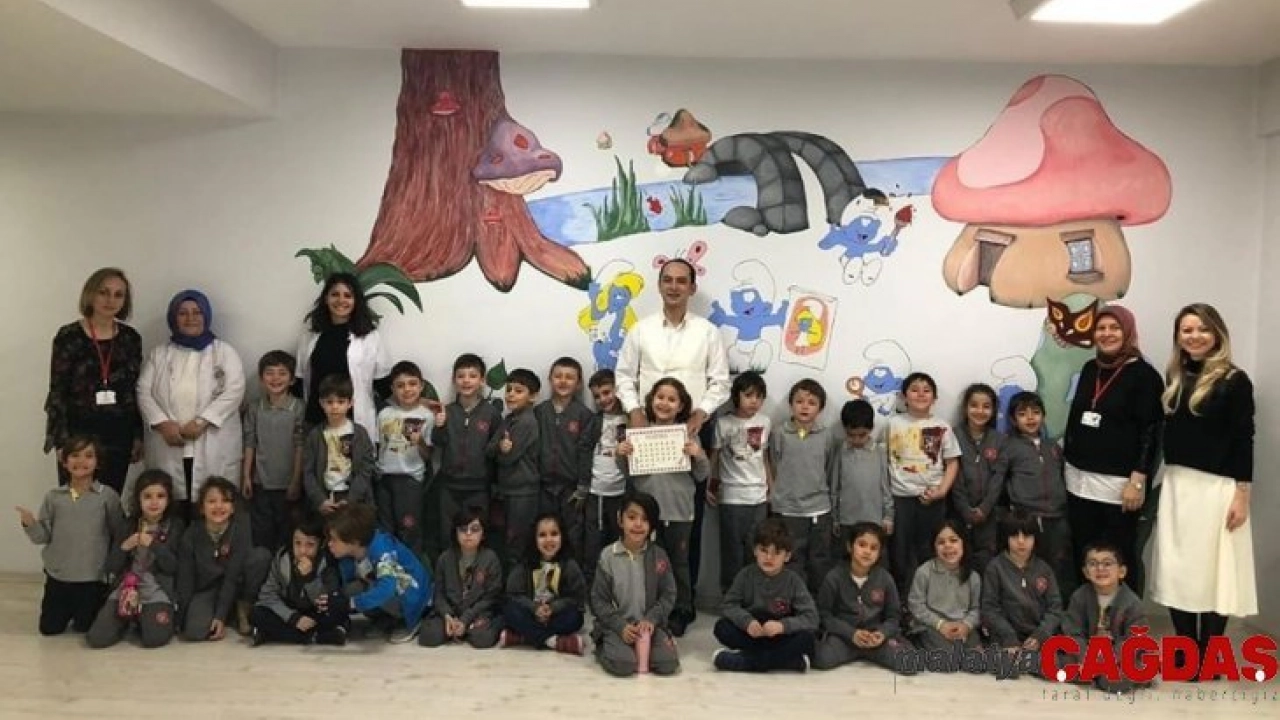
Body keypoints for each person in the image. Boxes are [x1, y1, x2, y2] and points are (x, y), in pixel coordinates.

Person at [615, 258, 730, 606]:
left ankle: (683, 604)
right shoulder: (641, 330)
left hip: (690, 431)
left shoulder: (707, 332)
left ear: (692, 288)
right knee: (644, 513)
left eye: (682, 281)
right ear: (659, 285)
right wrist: (635, 411)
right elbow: (623, 376)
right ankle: (645, 599)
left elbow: (720, 382)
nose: (674, 286)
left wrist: (700, 414)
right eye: (668, 280)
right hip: (646, 430)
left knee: (686, 521)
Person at [1151, 303, 1257, 659]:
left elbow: (1244, 438)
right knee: (1179, 569)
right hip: (1178, 486)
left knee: (1215, 571)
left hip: (1217, 489)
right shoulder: (1174, 377)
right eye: (1187, 330)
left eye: (1203, 329)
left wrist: (1242, 494)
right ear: (1178, 337)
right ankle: (1186, 649)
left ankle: (1210, 653)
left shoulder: (1234, 381)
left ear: (1217, 334)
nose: (1195, 336)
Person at [1062, 305, 1164, 597]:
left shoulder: (1144, 376)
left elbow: (1151, 431)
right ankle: (1088, 614)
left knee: (1119, 557)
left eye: (1114, 328)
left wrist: (1138, 480)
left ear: (1128, 332)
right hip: (1078, 481)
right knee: (1084, 554)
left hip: (1119, 488)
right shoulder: (1090, 369)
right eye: (1101, 328)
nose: (1106, 334)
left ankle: (1124, 619)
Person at [138, 289, 245, 519]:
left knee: (211, 511)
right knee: (172, 511)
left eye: (197, 312)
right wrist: (162, 423)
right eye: (183, 313)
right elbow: (143, 391)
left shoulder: (224, 352)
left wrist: (202, 422)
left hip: (212, 445)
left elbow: (234, 390)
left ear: (206, 315)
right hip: (169, 445)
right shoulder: (159, 354)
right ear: (173, 318)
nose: (190, 318)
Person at [616, 377, 709, 637]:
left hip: (679, 512)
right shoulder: (639, 434)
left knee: (679, 564)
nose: (664, 403)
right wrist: (621, 454)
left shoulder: (689, 436)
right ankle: (652, 610)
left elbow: (702, 475)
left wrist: (698, 455)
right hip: (647, 516)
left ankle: (682, 609)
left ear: (681, 406)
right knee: (648, 563)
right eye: (660, 397)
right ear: (651, 400)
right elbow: (628, 473)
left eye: (671, 399)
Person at [44, 268, 143, 492]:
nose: (110, 300)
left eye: (118, 295)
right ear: (90, 294)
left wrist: (138, 436)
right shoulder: (69, 336)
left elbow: (133, 391)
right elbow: (57, 391)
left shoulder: (131, 339)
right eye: (103, 292)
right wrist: (61, 440)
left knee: (109, 501)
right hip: (78, 435)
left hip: (119, 434)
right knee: (77, 502)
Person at [16, 436, 126, 635]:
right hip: (59, 576)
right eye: (75, 455)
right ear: (64, 462)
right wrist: (30, 523)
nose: (81, 461)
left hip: (92, 579)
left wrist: (113, 570)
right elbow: (42, 537)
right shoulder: (54, 497)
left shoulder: (107, 497)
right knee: (49, 629)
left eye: (88, 456)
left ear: (98, 462)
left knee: (85, 627)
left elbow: (118, 534)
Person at [87, 469, 183, 649]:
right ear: (138, 499)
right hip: (127, 586)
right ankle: (127, 618)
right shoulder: (128, 525)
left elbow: (173, 567)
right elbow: (112, 567)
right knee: (97, 638)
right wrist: (124, 547)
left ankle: (142, 617)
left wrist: (154, 545)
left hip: (156, 589)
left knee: (154, 639)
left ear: (169, 499)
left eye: (160, 496)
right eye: (147, 496)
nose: (154, 502)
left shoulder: (175, 526)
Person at [886, 372, 961, 603]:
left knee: (929, 550)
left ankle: (930, 599)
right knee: (900, 552)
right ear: (903, 396)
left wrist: (942, 491)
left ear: (935, 398)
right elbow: (882, 460)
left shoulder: (941, 426)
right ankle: (902, 601)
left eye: (926, 390)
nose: (920, 394)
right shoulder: (893, 424)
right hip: (900, 498)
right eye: (914, 389)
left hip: (933, 499)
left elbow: (952, 462)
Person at [589, 492, 680, 677]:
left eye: (645, 519)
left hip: (649, 626)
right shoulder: (608, 556)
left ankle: (648, 647)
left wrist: (652, 619)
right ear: (620, 519)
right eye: (631, 517)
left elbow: (668, 594)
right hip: (617, 626)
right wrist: (619, 625)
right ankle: (604, 645)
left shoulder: (659, 556)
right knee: (623, 665)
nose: (638, 524)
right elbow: (599, 600)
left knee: (668, 664)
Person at [712, 518, 818, 673]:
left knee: (806, 638)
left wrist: (783, 626)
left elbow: (811, 618)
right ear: (755, 550)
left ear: (787, 556)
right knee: (722, 627)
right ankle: (786, 662)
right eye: (764, 550)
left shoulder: (794, 581)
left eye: (776, 553)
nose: (769, 558)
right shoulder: (745, 575)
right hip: (753, 631)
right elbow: (728, 605)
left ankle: (746, 660)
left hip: (779, 634)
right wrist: (747, 622)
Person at [175, 477, 271, 641]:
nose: (219, 506)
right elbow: (186, 579)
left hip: (237, 584)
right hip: (207, 590)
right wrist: (181, 617)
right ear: (202, 508)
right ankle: (226, 615)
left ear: (233, 508)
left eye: (225, 501)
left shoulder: (240, 529)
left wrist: (220, 616)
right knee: (194, 632)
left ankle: (242, 607)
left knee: (260, 556)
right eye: (212, 501)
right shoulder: (191, 535)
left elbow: (232, 575)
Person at [812, 522, 915, 673]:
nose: (867, 551)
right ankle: (855, 651)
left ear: (880, 553)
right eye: (862, 545)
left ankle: (871, 651)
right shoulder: (834, 577)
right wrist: (851, 634)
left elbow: (893, 617)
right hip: (845, 638)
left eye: (873, 548)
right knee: (821, 659)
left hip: (876, 639)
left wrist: (882, 633)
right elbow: (824, 615)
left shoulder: (885, 579)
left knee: (910, 663)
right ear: (850, 547)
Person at [768, 379, 840, 592]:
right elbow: (774, 464)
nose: (805, 407)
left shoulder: (826, 435)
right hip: (788, 508)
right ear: (791, 405)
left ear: (820, 408)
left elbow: (829, 468)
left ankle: (818, 603)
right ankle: (794, 602)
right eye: (799, 401)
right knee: (792, 559)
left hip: (819, 508)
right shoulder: (780, 433)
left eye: (811, 403)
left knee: (819, 559)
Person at [324, 502, 432, 644]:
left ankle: (408, 621)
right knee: (352, 590)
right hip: (382, 585)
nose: (329, 544)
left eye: (334, 540)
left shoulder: (381, 550)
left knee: (379, 590)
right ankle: (385, 620)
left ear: (354, 541)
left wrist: (352, 603)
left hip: (412, 594)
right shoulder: (348, 557)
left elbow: (388, 587)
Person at [297, 272, 391, 433]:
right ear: (326, 299)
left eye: (348, 295)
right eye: (335, 294)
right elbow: (300, 380)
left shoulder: (370, 337)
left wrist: (417, 402)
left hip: (354, 419)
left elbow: (382, 382)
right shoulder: (310, 336)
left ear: (356, 301)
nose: (341, 300)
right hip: (317, 418)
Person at [1004, 391, 1075, 597]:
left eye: (1035, 412)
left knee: (1058, 564)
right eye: (1022, 414)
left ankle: (1057, 608)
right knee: (1030, 565)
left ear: (1043, 416)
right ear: (1013, 419)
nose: (1030, 418)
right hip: (1028, 517)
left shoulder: (1053, 447)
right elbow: (1001, 480)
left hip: (1057, 516)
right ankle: (1029, 607)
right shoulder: (1009, 447)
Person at [708, 371, 772, 594]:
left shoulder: (765, 422)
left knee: (757, 551)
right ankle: (731, 597)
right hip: (732, 497)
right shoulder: (724, 423)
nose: (754, 401)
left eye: (759, 397)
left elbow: (765, 457)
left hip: (759, 497)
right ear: (736, 396)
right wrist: (709, 485)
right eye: (749, 395)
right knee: (732, 553)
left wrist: (771, 486)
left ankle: (754, 597)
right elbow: (714, 458)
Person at [431, 353, 501, 551]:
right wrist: (439, 426)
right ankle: (448, 569)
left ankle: (477, 570)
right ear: (454, 381)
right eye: (461, 376)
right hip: (449, 487)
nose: (466, 380)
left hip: (479, 487)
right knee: (447, 534)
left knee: (476, 535)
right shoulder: (447, 411)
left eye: (472, 375)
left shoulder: (491, 413)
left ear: (482, 380)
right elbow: (438, 443)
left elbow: (495, 452)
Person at [980, 509, 1063, 675]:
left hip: (1037, 635)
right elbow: (989, 608)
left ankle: (1029, 661)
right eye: (1014, 536)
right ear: (1006, 538)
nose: (1021, 541)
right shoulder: (995, 568)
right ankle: (1018, 660)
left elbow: (1055, 609)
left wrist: (1040, 635)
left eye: (1027, 536)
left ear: (1035, 538)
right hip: (1006, 635)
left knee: (1053, 665)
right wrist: (1009, 636)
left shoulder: (1044, 569)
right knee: (1007, 666)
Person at [1061, 542, 1148, 692]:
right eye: (1093, 564)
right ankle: (1090, 673)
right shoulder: (1079, 597)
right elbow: (1073, 631)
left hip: (1119, 658)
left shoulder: (1132, 603)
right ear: (1086, 572)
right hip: (1087, 654)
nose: (1100, 568)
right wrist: (1085, 657)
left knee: (1120, 676)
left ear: (1121, 572)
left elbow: (1133, 641)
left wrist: (1103, 661)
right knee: (1051, 659)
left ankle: (1096, 675)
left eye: (1107, 564)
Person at [251, 513, 348, 646]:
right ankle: (315, 637)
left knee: (339, 614)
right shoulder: (282, 558)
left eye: (310, 544)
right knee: (257, 613)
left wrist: (309, 578)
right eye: (297, 543)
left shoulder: (327, 562)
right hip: (289, 610)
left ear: (321, 544)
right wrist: (293, 618)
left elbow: (326, 601)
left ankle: (274, 634)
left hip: (315, 611)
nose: (302, 550)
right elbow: (267, 595)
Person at [242, 350, 306, 552]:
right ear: (261, 379)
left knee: (287, 533)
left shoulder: (299, 408)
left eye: (282, 373)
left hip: (288, 484)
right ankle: (264, 568)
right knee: (262, 533)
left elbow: (300, 445)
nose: (275, 378)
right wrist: (246, 477)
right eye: (269, 373)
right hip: (261, 483)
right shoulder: (254, 408)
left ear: (292, 379)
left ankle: (284, 568)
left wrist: (296, 480)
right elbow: (250, 442)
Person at [534, 357, 594, 565]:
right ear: (550, 380)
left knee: (573, 535)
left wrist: (583, 485)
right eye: (558, 376)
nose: (563, 381)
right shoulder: (539, 412)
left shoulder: (584, 415)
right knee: (543, 534)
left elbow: (586, 453)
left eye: (569, 377)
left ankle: (571, 578)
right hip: (543, 487)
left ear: (578, 383)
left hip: (571, 489)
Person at [501, 513, 588, 654]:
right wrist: (534, 608)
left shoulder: (570, 565)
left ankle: (524, 637)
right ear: (534, 539)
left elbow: (577, 598)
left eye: (554, 534)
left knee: (575, 617)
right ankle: (553, 641)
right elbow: (512, 595)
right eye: (542, 535)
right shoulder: (524, 564)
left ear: (562, 536)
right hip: (531, 613)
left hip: (556, 615)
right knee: (510, 611)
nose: (549, 540)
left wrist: (553, 608)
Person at [420, 507, 504, 648]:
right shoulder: (445, 558)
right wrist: (447, 615)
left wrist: (466, 619)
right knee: (429, 636)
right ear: (456, 532)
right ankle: (455, 628)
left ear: (483, 534)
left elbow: (491, 597)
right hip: (451, 611)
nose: (468, 534)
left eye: (474, 529)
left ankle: (468, 629)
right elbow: (438, 594)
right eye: (463, 529)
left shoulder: (490, 558)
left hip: (477, 612)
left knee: (482, 638)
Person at [375, 360, 435, 558]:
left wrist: (420, 442)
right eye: (400, 385)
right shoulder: (384, 414)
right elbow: (378, 446)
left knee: (409, 528)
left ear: (421, 386)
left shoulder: (427, 416)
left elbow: (429, 455)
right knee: (385, 527)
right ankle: (388, 568)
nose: (407, 389)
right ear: (392, 389)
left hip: (410, 480)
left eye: (412, 384)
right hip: (384, 478)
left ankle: (411, 568)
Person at [950, 384, 1007, 575]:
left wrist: (984, 508)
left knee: (986, 561)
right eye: (974, 405)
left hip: (989, 515)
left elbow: (998, 477)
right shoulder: (953, 435)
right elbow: (954, 475)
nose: (980, 411)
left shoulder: (1000, 440)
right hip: (958, 512)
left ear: (994, 410)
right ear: (965, 408)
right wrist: (965, 509)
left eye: (986, 406)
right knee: (959, 560)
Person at [487, 368, 541, 568]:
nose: (511, 394)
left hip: (523, 492)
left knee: (517, 542)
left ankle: (517, 582)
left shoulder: (527, 422)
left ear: (532, 396)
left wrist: (501, 451)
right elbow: (489, 449)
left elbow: (507, 459)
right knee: (505, 539)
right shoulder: (508, 419)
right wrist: (500, 448)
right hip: (507, 490)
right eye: (508, 389)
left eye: (518, 391)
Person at [302, 375, 376, 515]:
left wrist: (351, 499)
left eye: (341, 402)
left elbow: (366, 468)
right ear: (321, 403)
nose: (335, 407)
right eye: (329, 402)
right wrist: (320, 500)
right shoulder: (315, 435)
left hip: (354, 498)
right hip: (325, 498)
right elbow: (308, 472)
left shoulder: (360, 433)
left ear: (350, 403)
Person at [907, 519, 982, 658]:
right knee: (947, 659)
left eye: (953, 540)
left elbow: (976, 609)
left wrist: (966, 625)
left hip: (962, 626)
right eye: (941, 542)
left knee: (978, 660)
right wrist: (941, 624)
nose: (948, 546)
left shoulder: (973, 576)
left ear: (963, 543)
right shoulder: (924, 572)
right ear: (934, 547)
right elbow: (916, 605)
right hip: (932, 625)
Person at [583, 369, 628, 589]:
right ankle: (592, 592)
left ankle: (618, 591)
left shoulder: (632, 420)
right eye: (597, 396)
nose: (603, 399)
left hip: (622, 492)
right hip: (596, 492)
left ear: (618, 390)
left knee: (619, 542)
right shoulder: (594, 421)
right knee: (592, 545)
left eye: (607, 392)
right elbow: (584, 451)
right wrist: (583, 484)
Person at [833, 399, 893, 550]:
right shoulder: (840, 452)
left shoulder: (879, 452)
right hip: (847, 520)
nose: (857, 440)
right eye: (851, 435)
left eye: (862, 435)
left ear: (871, 428)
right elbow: (835, 487)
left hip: (874, 520)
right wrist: (834, 518)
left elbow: (886, 487)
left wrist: (888, 516)